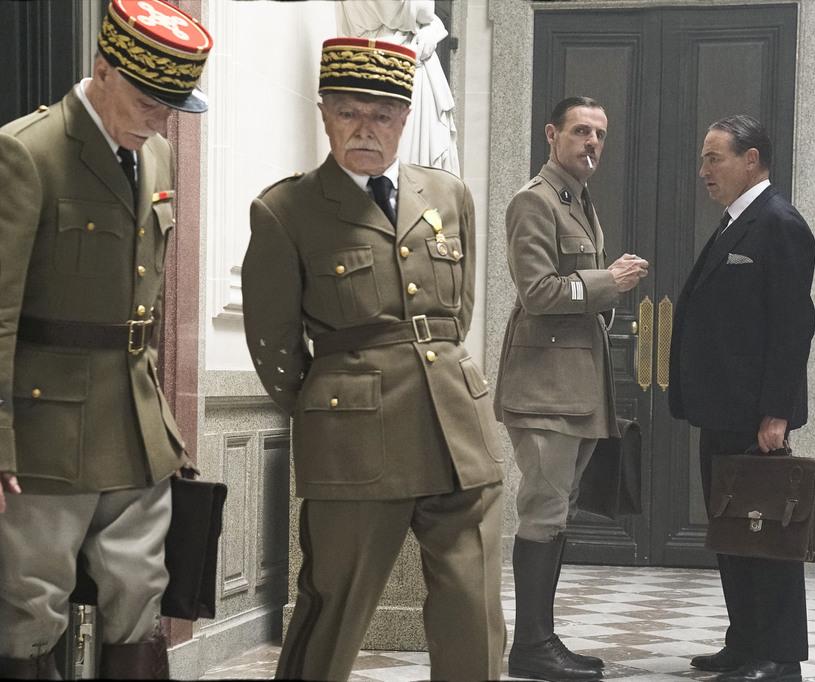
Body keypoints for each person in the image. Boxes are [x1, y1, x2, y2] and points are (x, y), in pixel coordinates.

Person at [241, 37, 505, 682]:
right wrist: (331, 404)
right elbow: (273, 341)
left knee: (473, 607)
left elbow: (457, 312)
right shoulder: (287, 209)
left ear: (404, 119)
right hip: (354, 439)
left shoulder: (447, 194)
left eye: (382, 114)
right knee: (335, 604)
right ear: (324, 114)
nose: (366, 128)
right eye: (349, 112)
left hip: (457, 429)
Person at [0, 0, 213, 678]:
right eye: (150, 103)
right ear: (102, 70)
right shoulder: (27, 151)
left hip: (135, 426)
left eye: (172, 108)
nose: (161, 121)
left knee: (142, 596)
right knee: (31, 605)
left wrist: (164, 426)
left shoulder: (156, 157)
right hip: (46, 430)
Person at [493, 96, 649, 681]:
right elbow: (537, 292)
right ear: (551, 135)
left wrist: (601, 288)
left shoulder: (577, 201)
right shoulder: (533, 202)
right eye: (581, 131)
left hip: (575, 390)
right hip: (544, 390)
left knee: (557, 514)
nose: (592, 143)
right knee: (543, 512)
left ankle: (543, 639)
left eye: (600, 135)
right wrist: (608, 281)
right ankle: (531, 647)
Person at [667, 114, 815, 682]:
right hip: (722, 410)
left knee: (767, 533)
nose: (704, 169)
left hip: (756, 416)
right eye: (703, 158)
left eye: (715, 158)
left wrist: (776, 411)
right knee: (733, 530)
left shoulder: (779, 222)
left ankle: (779, 656)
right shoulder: (736, 221)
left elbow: (793, 326)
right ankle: (745, 640)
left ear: (751, 160)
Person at [337, 0, 460, 173]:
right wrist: (430, 25)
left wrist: (431, 27)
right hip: (394, 70)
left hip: (381, 67)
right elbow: (424, 10)